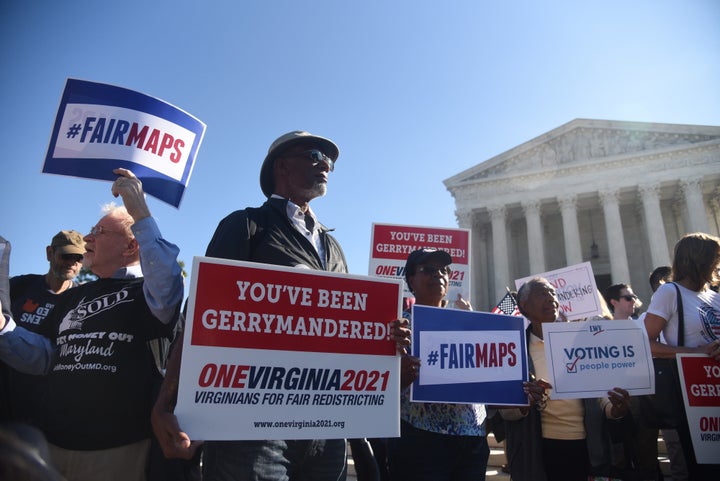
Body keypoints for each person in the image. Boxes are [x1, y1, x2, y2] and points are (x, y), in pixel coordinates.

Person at [152, 131, 410, 481]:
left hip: (326, 428)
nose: (326, 167)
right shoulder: (247, 225)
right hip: (253, 430)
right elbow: (200, 315)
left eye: (330, 162)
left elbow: (349, 333)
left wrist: (385, 338)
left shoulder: (333, 247)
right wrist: (167, 402)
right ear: (282, 166)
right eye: (316, 155)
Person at [0, 168, 184, 481]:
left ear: (130, 247)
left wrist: (138, 209)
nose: (86, 239)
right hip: (51, 444)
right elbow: (45, 357)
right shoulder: (75, 294)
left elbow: (167, 285)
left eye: (98, 232)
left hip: (115, 451)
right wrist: (3, 328)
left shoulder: (149, 293)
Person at [501, 277, 631, 481]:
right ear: (524, 306)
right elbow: (505, 410)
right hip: (538, 448)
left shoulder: (581, 342)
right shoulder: (514, 349)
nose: (551, 298)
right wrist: (525, 402)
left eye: (553, 293)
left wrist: (615, 409)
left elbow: (599, 390)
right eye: (542, 294)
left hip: (586, 448)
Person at [386, 248, 489, 481]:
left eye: (443, 270)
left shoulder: (471, 324)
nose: (438, 275)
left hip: (472, 439)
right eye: (428, 270)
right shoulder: (396, 326)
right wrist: (400, 377)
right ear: (411, 279)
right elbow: (379, 386)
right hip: (420, 442)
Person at [643, 232, 720, 479]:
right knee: (706, 468)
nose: (717, 264)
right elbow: (645, 342)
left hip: (715, 387)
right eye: (714, 258)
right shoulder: (669, 293)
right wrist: (694, 353)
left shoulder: (714, 296)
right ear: (698, 260)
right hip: (692, 393)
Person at [4, 230, 85, 425]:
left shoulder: (82, 301)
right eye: (66, 255)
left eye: (79, 257)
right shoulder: (19, 287)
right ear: (50, 253)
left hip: (42, 411)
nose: (72, 262)